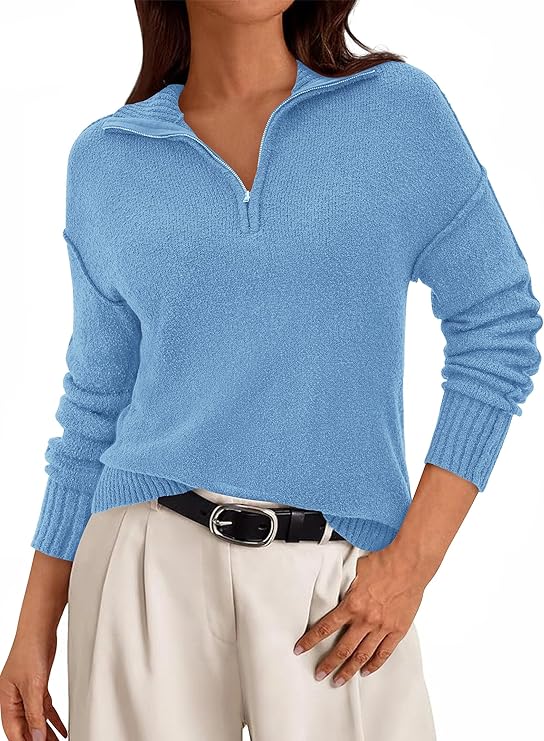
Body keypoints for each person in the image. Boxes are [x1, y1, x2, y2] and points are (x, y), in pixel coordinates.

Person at [1, 1, 542, 739]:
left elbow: (499, 322)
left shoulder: (396, 114)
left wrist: (412, 564)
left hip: (338, 582)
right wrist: (35, 624)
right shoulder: (108, 158)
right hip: (145, 571)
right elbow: (96, 403)